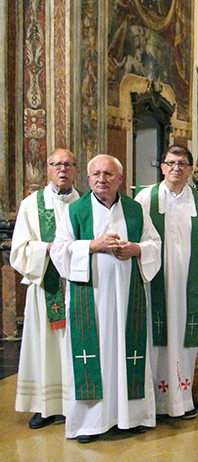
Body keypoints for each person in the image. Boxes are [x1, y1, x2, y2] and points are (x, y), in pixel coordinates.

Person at [50, 154, 161, 443]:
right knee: (92, 357)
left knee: (128, 353)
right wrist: (91, 245)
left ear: (120, 179)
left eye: (109, 174)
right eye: (96, 174)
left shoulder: (135, 210)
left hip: (128, 299)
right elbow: (58, 250)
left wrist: (137, 249)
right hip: (92, 300)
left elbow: (154, 244)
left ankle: (130, 417)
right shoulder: (76, 211)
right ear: (88, 179)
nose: (103, 179)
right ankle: (90, 423)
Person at [135, 145, 198, 419]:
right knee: (154, 339)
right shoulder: (146, 198)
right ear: (162, 167)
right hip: (153, 282)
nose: (176, 168)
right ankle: (155, 402)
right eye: (170, 162)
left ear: (190, 169)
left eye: (182, 163)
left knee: (183, 341)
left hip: (186, 284)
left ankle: (181, 400)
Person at [11, 149, 80, 429]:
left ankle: (76, 402)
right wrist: (50, 249)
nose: (62, 169)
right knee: (45, 347)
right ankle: (46, 405)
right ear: (47, 169)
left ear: (75, 170)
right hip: (46, 288)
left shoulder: (86, 203)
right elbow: (19, 251)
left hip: (78, 288)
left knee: (78, 345)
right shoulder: (31, 204)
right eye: (56, 164)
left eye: (67, 164)